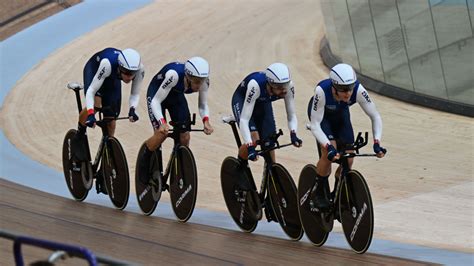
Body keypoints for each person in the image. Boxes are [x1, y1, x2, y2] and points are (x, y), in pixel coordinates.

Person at [307, 63, 387, 210]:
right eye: (343, 90)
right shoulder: (321, 91)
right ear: (334, 87)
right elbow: (315, 125)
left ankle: (339, 191)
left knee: (349, 158)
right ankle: (318, 192)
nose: (348, 93)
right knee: (329, 154)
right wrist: (329, 146)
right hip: (322, 118)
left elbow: (375, 116)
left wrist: (377, 142)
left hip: (341, 117)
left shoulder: (358, 90)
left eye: (350, 88)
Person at [72, 47, 145, 193]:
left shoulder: (139, 70)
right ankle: (79, 134)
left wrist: (132, 109)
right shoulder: (107, 64)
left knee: (111, 119)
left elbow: (135, 93)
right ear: (120, 67)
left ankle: (107, 159)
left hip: (112, 78)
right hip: (95, 69)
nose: (129, 77)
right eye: (126, 73)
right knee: (97, 105)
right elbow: (91, 91)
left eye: (132, 74)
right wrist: (92, 114)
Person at [137, 56, 214, 185]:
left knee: (185, 136)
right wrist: (162, 122)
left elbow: (203, 105)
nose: (198, 85)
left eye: (201, 81)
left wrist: (206, 121)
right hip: (157, 94)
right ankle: (144, 161)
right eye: (196, 81)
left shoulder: (204, 82)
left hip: (175, 96)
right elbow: (156, 101)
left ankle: (180, 171)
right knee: (161, 134)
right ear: (188, 77)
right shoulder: (173, 75)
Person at [231, 62, 303, 164]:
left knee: (270, 141)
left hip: (262, 101)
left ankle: (272, 171)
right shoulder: (255, 85)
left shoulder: (288, 87)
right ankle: (240, 165)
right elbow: (244, 120)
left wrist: (293, 133)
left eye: (285, 85)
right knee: (254, 139)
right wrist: (250, 146)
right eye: (279, 87)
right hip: (243, 100)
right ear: (270, 84)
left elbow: (291, 115)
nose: (283, 90)